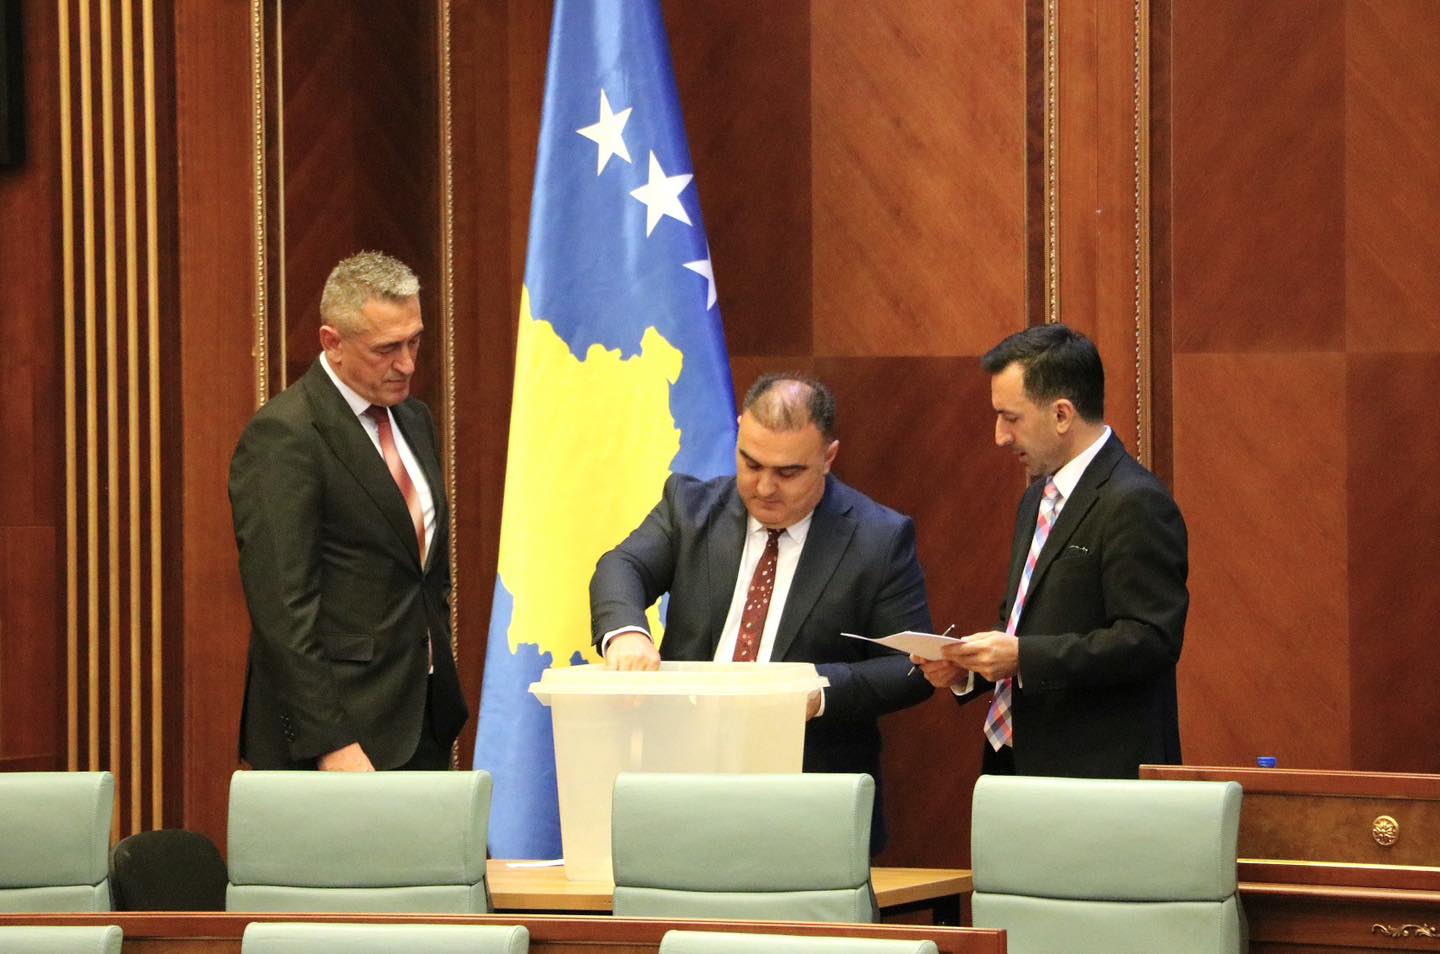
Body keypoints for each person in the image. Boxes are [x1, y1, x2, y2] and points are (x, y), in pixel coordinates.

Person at [590, 374, 932, 852]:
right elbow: (621, 566)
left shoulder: (878, 538)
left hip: (807, 797)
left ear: (828, 457)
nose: (765, 487)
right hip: (681, 780)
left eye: (788, 472)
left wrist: (818, 690)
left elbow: (911, 668)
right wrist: (628, 632)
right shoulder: (690, 509)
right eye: (751, 463)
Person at [229, 251, 468, 771]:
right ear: (332, 343)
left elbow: (424, 572)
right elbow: (283, 609)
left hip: (420, 717)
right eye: (386, 349)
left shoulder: (413, 419)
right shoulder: (286, 435)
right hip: (338, 735)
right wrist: (329, 740)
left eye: (414, 341)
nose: (407, 364)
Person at [914, 323, 1187, 777]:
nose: (1000, 436)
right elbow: (1025, 623)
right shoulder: (1036, 499)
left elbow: (1150, 640)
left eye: (1011, 417)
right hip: (1017, 763)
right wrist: (969, 669)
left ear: (1062, 415)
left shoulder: (1135, 501)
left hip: (1096, 776)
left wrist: (1022, 656)